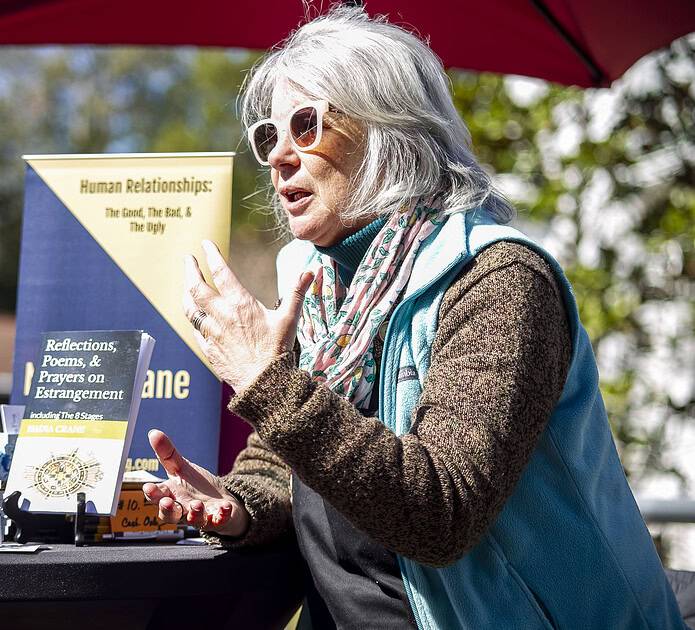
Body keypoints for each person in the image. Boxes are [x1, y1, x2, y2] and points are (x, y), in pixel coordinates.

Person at [143, 7, 685, 629]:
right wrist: (236, 503)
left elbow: (442, 513)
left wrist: (269, 385)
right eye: (270, 136)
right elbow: (285, 458)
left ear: (387, 129)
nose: (279, 157)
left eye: (305, 125)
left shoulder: (500, 281)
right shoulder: (317, 282)